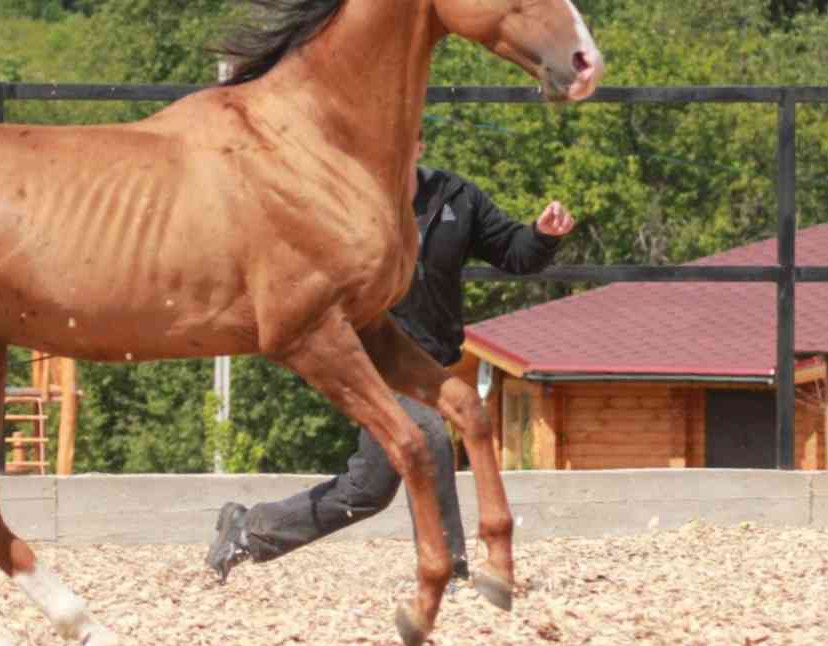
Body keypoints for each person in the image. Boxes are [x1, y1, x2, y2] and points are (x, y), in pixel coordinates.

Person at [206, 137, 576, 583]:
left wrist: (542, 236)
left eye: (407, 139)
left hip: (433, 365)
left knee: (367, 491)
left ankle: (248, 530)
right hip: (373, 361)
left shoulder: (456, 197)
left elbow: (515, 254)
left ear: (417, 145)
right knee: (430, 436)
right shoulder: (349, 206)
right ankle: (449, 568)